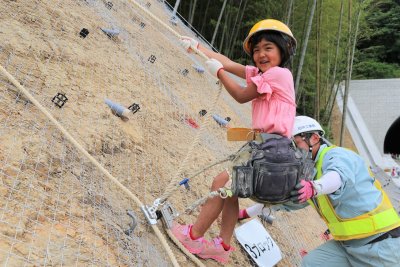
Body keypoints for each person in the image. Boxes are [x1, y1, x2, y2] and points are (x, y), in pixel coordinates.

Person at [172, 19, 297, 263]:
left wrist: (216, 72)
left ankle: (193, 235)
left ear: (283, 50)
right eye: (257, 49)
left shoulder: (279, 75)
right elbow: (229, 63)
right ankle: (222, 246)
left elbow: (241, 95)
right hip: (263, 145)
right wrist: (196, 46)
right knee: (230, 191)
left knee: (222, 183)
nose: (261, 54)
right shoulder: (263, 74)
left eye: (268, 48)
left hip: (272, 149)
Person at [290, 116, 400, 266]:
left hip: (380, 244)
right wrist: (248, 212)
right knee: (312, 263)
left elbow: (338, 176)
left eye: (296, 144)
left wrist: (314, 187)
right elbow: (290, 200)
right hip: (348, 245)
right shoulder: (311, 170)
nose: (294, 151)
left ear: (314, 138)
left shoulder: (337, 155)